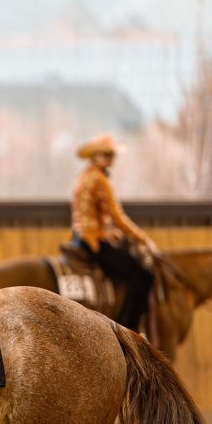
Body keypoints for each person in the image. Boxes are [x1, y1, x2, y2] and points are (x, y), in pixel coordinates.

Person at [71, 133, 157, 331]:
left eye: (111, 155)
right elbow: (117, 215)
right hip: (93, 241)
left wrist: (108, 231)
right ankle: (129, 329)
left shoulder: (84, 176)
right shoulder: (100, 179)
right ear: (95, 156)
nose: (111, 159)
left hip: (80, 237)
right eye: (106, 154)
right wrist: (141, 237)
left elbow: (93, 215)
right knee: (142, 277)